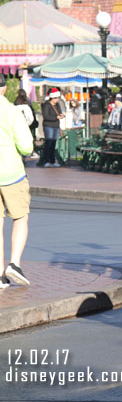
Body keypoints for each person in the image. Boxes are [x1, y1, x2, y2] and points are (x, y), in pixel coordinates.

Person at [0, 74, 33, 287]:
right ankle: (14, 263)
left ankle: (1, 276)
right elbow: (26, 147)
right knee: (20, 217)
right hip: (11, 173)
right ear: (3, 88)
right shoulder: (12, 111)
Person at [41, 88, 64, 167]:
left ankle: (52, 160)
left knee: (53, 144)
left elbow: (59, 112)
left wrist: (62, 115)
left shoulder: (57, 105)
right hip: (48, 126)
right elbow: (46, 116)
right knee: (49, 143)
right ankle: (46, 160)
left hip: (56, 126)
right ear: (51, 97)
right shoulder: (46, 105)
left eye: (58, 98)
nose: (57, 99)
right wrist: (56, 117)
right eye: (55, 98)